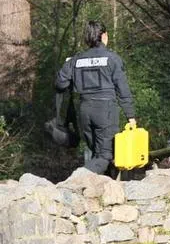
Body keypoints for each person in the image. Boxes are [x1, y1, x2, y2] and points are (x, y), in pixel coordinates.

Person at [55, 20, 136, 176]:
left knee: (97, 153)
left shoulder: (76, 59)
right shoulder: (112, 58)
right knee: (105, 155)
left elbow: (60, 83)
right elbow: (123, 90)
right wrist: (130, 115)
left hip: (85, 111)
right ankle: (78, 178)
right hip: (106, 111)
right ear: (104, 36)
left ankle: (103, 192)